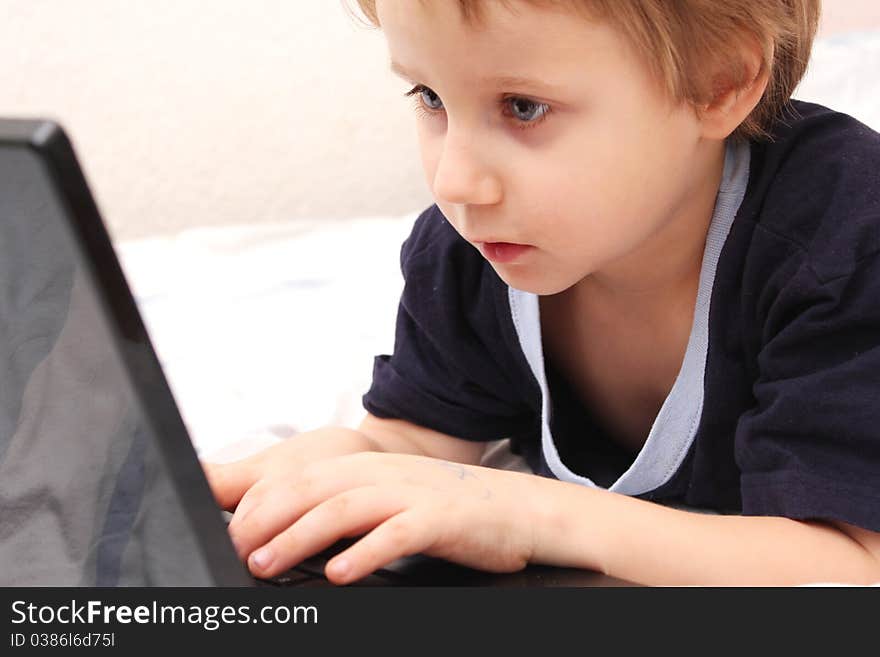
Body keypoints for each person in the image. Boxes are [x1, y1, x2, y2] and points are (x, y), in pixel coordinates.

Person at [204, 0, 880, 586]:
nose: (455, 183)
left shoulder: (844, 240)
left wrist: (528, 512)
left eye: (523, 108)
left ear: (719, 84)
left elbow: (853, 565)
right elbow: (420, 439)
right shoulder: (471, 256)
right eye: (430, 98)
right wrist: (339, 472)